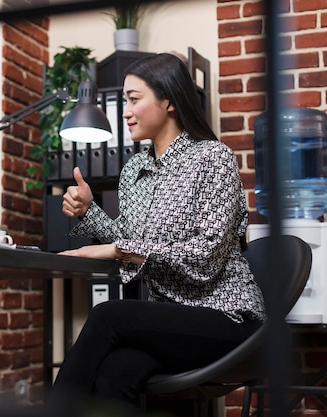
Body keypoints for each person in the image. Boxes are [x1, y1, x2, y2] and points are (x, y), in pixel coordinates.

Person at [48, 53, 267, 416]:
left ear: (168, 100)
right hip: (172, 322)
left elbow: (205, 256)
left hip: (228, 319)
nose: (125, 111)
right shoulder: (134, 170)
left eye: (134, 99)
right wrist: (90, 211)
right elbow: (131, 238)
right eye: (125, 102)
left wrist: (114, 250)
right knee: (115, 374)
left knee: (109, 315)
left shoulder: (213, 158)